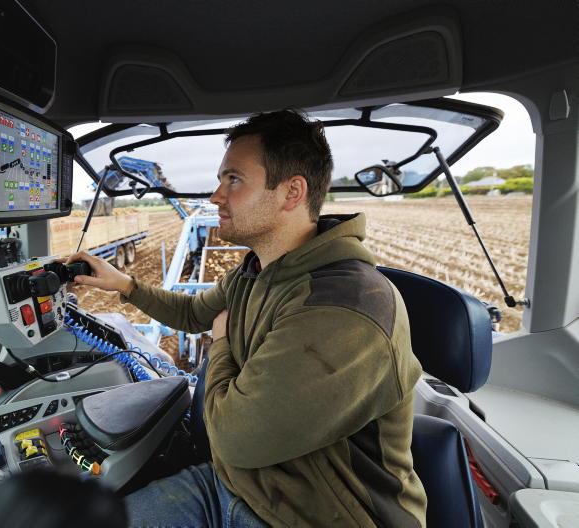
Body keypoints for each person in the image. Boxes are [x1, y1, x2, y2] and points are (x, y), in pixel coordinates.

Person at [67, 109, 427, 527]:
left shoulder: (344, 306)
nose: (216, 196)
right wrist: (126, 286)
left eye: (233, 180)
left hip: (311, 513)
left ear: (292, 192)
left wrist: (219, 346)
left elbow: (237, 439)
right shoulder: (257, 271)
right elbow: (192, 312)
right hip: (238, 483)